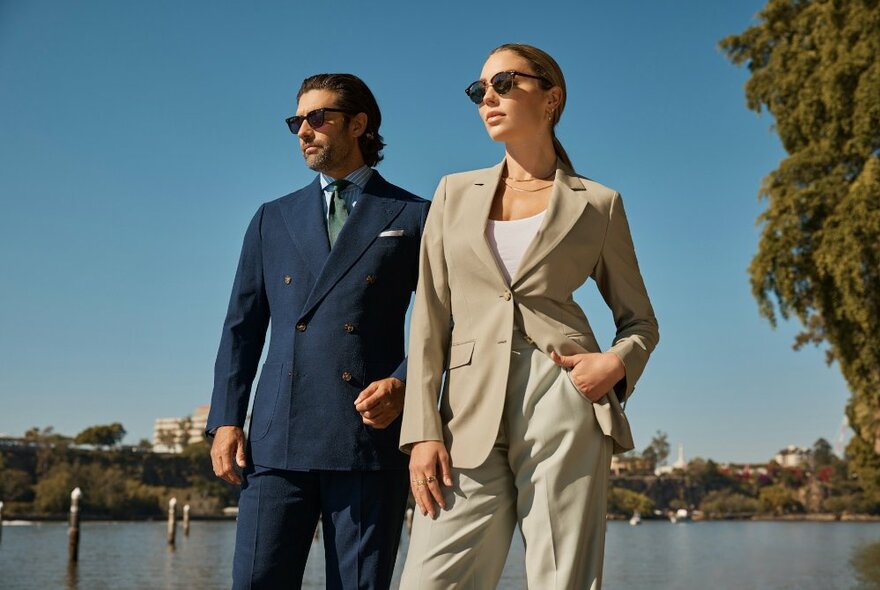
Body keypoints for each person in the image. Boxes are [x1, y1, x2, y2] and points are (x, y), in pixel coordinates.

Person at [399, 44, 659, 589]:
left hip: (563, 394)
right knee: (430, 578)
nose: (487, 98)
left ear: (551, 98)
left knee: (562, 578)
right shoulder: (452, 192)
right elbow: (430, 317)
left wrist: (613, 364)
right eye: (479, 90)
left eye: (504, 83)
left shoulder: (598, 203)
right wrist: (423, 431)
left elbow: (640, 321)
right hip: (467, 407)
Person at [207, 73, 430, 590]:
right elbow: (241, 328)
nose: (303, 131)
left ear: (358, 123)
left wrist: (404, 383)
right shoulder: (272, 218)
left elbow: (445, 319)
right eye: (296, 121)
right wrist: (224, 419)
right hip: (275, 440)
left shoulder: (415, 215)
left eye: (317, 118)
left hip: (367, 435)